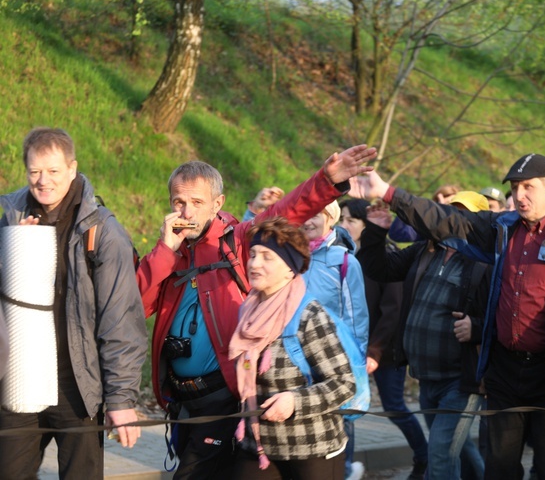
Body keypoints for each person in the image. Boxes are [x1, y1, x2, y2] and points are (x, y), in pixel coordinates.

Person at [350, 153, 545, 480]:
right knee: (499, 469)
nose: (520, 195)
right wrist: (389, 193)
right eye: (515, 187)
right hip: (504, 371)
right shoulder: (501, 228)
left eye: (528, 186)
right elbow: (444, 220)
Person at [136, 145, 375, 478]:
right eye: (179, 202)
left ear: (217, 204)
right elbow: (137, 307)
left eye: (196, 203)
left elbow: (287, 211)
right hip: (181, 400)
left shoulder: (238, 240)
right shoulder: (170, 250)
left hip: (224, 397)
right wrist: (164, 251)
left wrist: (326, 181)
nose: (186, 212)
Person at [0, 127, 148, 479]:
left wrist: (122, 399)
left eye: (53, 171)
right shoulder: (7, 218)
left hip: (78, 388)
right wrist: (13, 252)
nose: (43, 181)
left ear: (72, 168)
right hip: (20, 381)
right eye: (35, 171)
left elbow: (121, 321)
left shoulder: (103, 232)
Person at [358, 191, 491, 480]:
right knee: (454, 448)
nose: (452, 220)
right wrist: (376, 230)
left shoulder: (487, 263)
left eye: (462, 214)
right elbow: (379, 268)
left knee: (440, 455)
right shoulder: (426, 251)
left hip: (461, 381)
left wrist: (477, 328)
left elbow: (506, 315)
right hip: (427, 378)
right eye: (448, 212)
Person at [229, 217, 356, 479]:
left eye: (267, 257)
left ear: (290, 268)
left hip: (311, 449)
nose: (254, 263)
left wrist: (295, 401)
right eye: (252, 255)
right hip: (258, 446)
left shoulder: (309, 315)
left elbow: (344, 384)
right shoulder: (248, 311)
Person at [339, 199, 429, 480]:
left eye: (351, 221)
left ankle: (424, 456)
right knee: (347, 409)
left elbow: (392, 310)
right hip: (352, 349)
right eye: (341, 219)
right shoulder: (343, 256)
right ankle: (347, 467)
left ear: (367, 226)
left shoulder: (385, 256)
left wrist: (375, 351)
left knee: (394, 406)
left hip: (384, 350)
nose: (344, 226)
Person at [301, 200, 369, 480]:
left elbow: (357, 319)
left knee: (339, 431)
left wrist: (355, 368)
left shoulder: (344, 262)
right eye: (304, 212)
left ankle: (343, 471)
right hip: (297, 361)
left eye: (315, 213)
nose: (308, 220)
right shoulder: (291, 256)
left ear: (331, 218)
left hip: (333, 363)